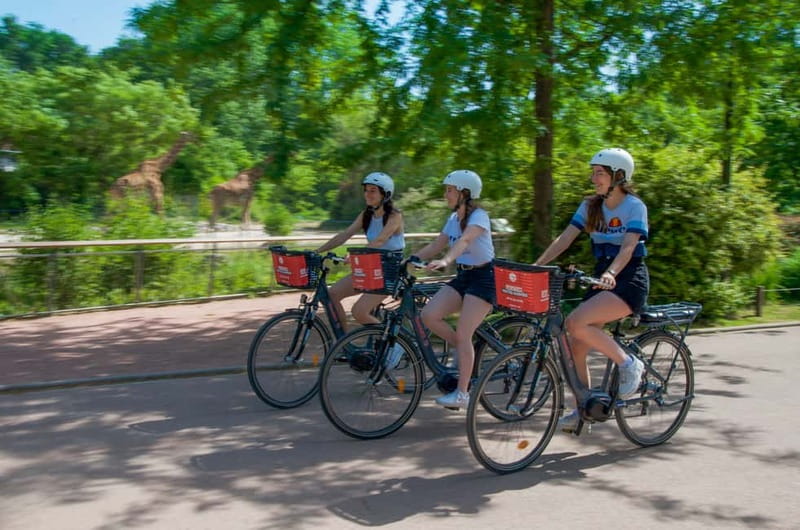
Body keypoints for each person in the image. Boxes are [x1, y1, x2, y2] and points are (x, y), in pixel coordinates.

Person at [533, 147, 649, 433]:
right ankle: (583, 407)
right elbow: (565, 239)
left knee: (574, 323)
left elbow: (628, 247)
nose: (594, 178)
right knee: (575, 347)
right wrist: (537, 264)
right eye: (593, 172)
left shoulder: (635, 207)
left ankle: (629, 363)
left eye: (600, 173)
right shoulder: (590, 206)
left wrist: (611, 274)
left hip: (628, 279)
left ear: (618, 176)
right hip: (601, 278)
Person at [410, 170, 495, 409]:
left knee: (464, 332)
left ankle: (462, 394)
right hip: (464, 276)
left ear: (464, 193)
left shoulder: (479, 216)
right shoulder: (452, 218)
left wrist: (446, 261)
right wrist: (411, 258)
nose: (445, 194)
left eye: (449, 190)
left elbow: (465, 241)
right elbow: (438, 243)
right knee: (429, 315)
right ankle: (463, 348)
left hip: (484, 278)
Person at [316, 172, 405, 334]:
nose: (367, 194)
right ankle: (343, 345)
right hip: (369, 268)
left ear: (385, 194)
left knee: (359, 312)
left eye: (372, 190)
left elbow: (380, 240)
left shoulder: (394, 216)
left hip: (389, 271)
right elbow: (345, 234)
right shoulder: (366, 214)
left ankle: (395, 345)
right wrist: (317, 251)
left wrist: (357, 255)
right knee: (332, 295)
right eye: (366, 190)